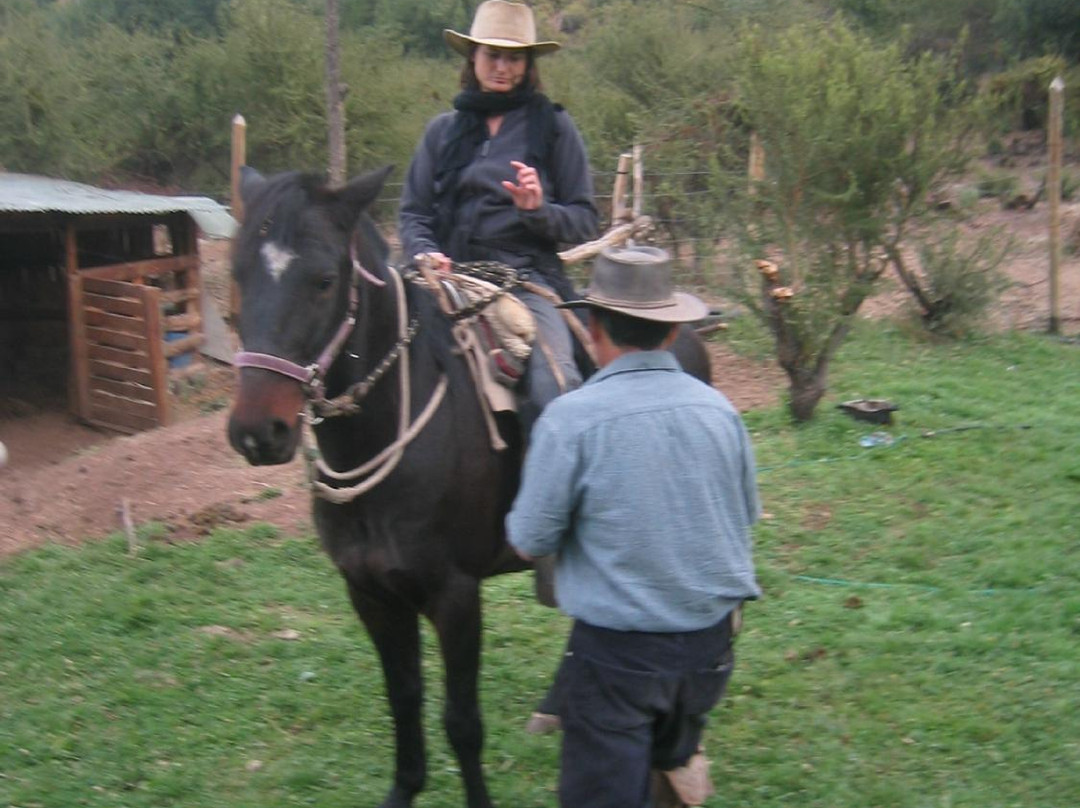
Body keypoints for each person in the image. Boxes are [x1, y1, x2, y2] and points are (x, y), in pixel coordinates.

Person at [506, 246, 762, 808]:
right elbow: (743, 516)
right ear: (672, 334)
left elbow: (529, 538)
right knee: (666, 764)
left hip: (619, 658)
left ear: (592, 330)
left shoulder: (572, 420)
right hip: (711, 648)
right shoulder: (721, 411)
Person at [398, 0, 600, 425]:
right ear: (474, 57)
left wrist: (538, 210)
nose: (502, 67)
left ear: (528, 64)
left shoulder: (554, 127)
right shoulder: (442, 131)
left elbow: (583, 220)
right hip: (444, 275)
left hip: (523, 279)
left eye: (514, 57)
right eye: (492, 55)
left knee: (555, 387)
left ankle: (559, 488)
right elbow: (414, 213)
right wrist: (424, 253)